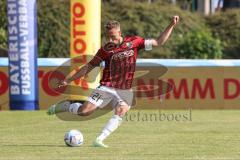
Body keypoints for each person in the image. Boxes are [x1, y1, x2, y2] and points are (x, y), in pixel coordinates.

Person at [47, 16, 179, 148]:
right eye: (108, 36)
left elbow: (158, 41)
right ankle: (64, 106)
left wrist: (171, 24)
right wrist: (67, 80)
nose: (110, 39)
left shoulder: (134, 42)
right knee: (84, 112)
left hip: (125, 89)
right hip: (106, 86)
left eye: (113, 36)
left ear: (120, 33)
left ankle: (99, 139)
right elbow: (88, 66)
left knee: (121, 110)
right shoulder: (105, 50)